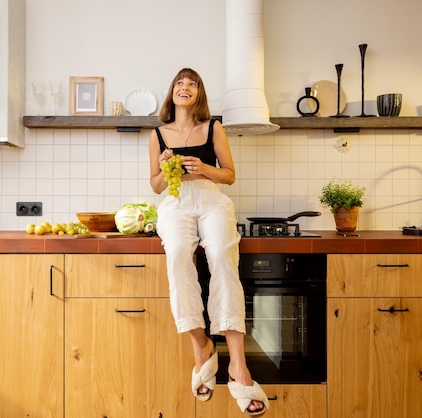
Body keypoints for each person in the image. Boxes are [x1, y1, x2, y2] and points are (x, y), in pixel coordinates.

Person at [149, 68, 269, 416]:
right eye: (180, 83)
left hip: (211, 200)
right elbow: (156, 186)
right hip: (175, 203)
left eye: (192, 84)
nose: (185, 87)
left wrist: (203, 168)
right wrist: (162, 166)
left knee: (220, 255)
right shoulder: (158, 134)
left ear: (198, 94)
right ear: (171, 92)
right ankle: (201, 346)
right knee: (177, 255)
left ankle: (238, 365)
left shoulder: (213, 127)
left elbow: (229, 175)